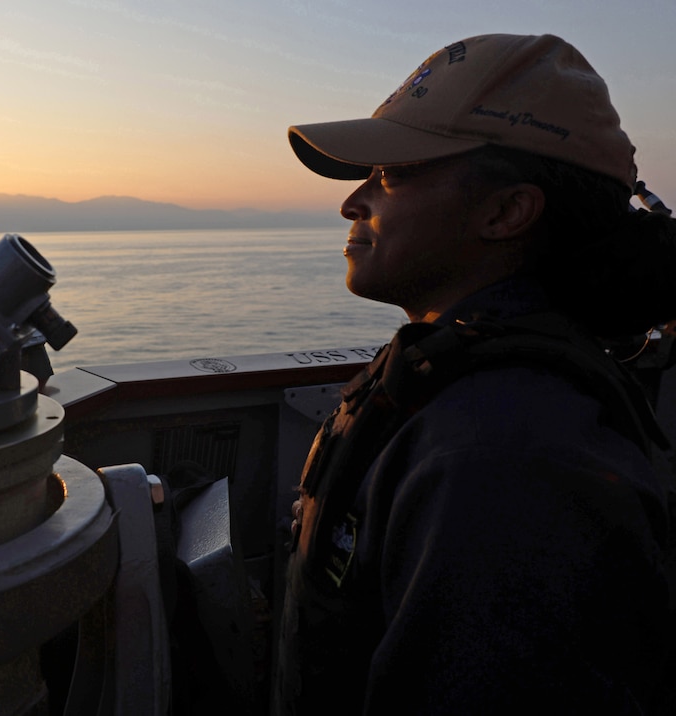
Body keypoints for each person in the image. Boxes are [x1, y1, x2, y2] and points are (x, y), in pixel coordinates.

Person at [278, 33, 676, 714]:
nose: (353, 202)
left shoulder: (506, 461)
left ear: (506, 212)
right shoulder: (452, 379)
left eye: (391, 173)